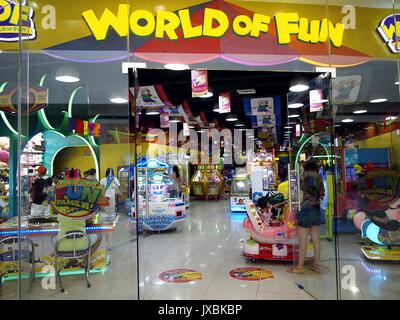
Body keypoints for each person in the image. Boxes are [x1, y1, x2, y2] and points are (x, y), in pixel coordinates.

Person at [288, 160, 324, 274]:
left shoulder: (303, 177)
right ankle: (316, 266)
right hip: (317, 210)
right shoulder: (319, 178)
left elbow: (299, 194)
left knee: (303, 240)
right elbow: (322, 194)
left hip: (305, 210)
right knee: (316, 239)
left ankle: (300, 267)